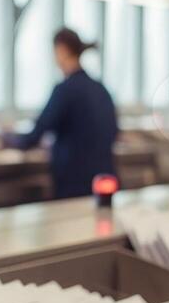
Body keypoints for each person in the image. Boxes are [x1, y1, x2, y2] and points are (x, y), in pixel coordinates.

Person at [7, 28, 119, 200]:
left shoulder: (65, 90)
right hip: (103, 184)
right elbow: (112, 132)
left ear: (62, 50)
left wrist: (7, 138)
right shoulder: (101, 89)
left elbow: (36, 134)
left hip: (74, 186)